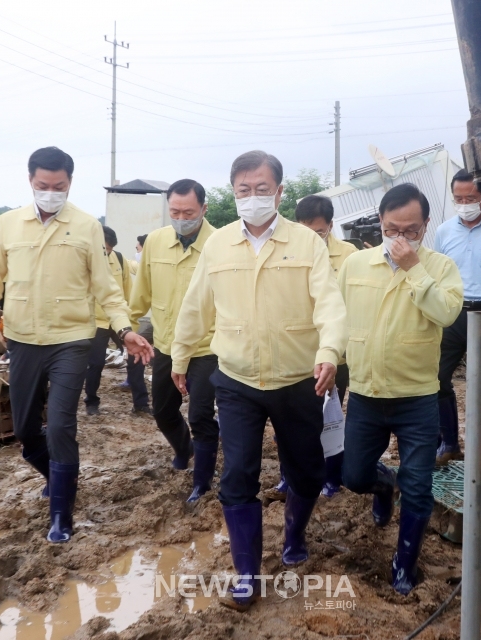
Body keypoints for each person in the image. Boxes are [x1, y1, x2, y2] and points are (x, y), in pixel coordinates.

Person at [171, 150, 347, 610]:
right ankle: (246, 575)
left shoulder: (307, 244)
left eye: (262, 189)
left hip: (297, 380)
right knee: (238, 475)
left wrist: (329, 352)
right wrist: (181, 354)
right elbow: (196, 305)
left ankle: (294, 535)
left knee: (307, 472)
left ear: (279, 192)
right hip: (236, 379)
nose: (253, 198)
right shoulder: (219, 245)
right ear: (234, 193)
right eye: (244, 191)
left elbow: (330, 303)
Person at [0, 147, 152, 544]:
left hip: (71, 340)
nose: (50, 192)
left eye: (59, 186)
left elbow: (107, 288)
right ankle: (56, 479)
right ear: (30, 181)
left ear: (70, 183)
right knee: (25, 431)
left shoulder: (86, 227)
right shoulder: (7, 225)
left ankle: (61, 517)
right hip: (22, 341)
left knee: (61, 427)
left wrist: (124, 330)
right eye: (42, 186)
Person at [339, 183, 463, 595]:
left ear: (425, 226)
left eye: (411, 231)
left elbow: (446, 312)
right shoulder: (355, 266)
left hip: (417, 397)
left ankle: (404, 563)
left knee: (419, 485)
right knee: (353, 474)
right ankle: (382, 482)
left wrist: (414, 269)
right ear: (380, 223)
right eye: (393, 229)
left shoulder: (440, 267)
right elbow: (338, 318)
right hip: (366, 394)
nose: (401, 239)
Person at [129, 179, 218, 503]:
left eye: (189, 212)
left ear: (203, 209)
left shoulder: (220, 243)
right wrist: (127, 327)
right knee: (164, 411)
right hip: (166, 342)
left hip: (207, 345)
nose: (181, 218)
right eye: (175, 211)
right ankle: (185, 448)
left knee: (200, 414)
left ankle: (202, 482)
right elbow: (142, 291)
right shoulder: (155, 242)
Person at [273, 194, 357, 499]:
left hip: (335, 357)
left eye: (318, 232)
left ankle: (331, 477)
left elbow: (348, 308)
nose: (311, 238)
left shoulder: (349, 256)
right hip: (294, 354)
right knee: (287, 420)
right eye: (304, 230)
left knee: (329, 418)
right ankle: (288, 476)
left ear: (331, 226)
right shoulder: (282, 253)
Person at [434, 169, 481, 466]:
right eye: (458, 198)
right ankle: (449, 443)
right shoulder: (444, 231)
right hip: (453, 312)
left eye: (471, 198)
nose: (464, 203)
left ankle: (480, 453)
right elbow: (436, 272)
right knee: (436, 377)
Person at [83, 225, 150, 416]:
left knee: (135, 357)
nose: (107, 254)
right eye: (104, 250)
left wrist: (131, 321)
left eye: (110, 250)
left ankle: (141, 404)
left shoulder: (119, 260)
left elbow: (128, 291)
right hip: (96, 321)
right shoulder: (83, 261)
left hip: (118, 319)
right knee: (95, 363)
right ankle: (91, 402)